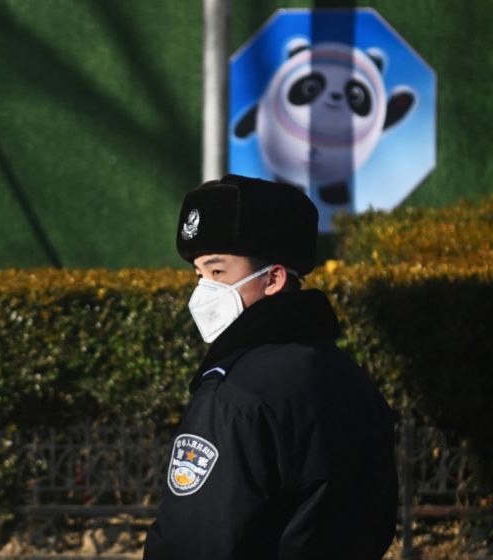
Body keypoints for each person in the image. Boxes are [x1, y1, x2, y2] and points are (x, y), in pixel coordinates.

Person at [143, 174, 397, 559]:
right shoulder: (349, 376)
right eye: (198, 275)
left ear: (273, 279)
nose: (203, 291)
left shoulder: (232, 397)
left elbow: (195, 541)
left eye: (218, 272)